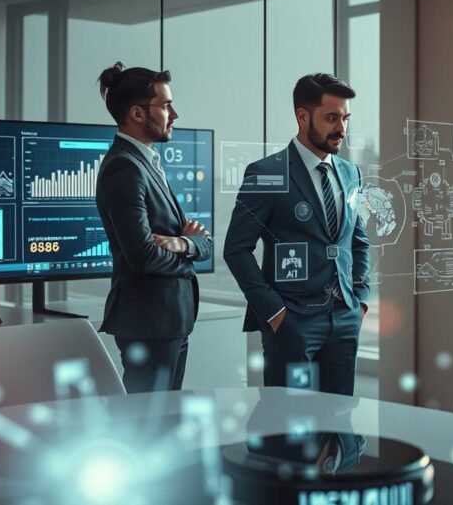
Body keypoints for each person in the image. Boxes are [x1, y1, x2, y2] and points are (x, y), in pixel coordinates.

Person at [224, 73, 370, 396]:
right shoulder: (266, 173)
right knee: (289, 419)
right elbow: (236, 250)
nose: (342, 128)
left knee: (339, 416)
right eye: (332, 118)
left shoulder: (351, 173)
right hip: (292, 323)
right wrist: (275, 313)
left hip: (345, 321)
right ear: (302, 116)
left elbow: (358, 241)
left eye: (345, 118)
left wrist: (360, 301)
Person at [95, 62, 212, 393]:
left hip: (169, 321)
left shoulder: (147, 163)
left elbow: (203, 241)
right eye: (165, 105)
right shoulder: (124, 169)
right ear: (137, 113)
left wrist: (185, 244)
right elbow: (143, 256)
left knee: (166, 416)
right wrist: (190, 254)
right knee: (148, 419)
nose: (174, 114)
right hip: (149, 323)